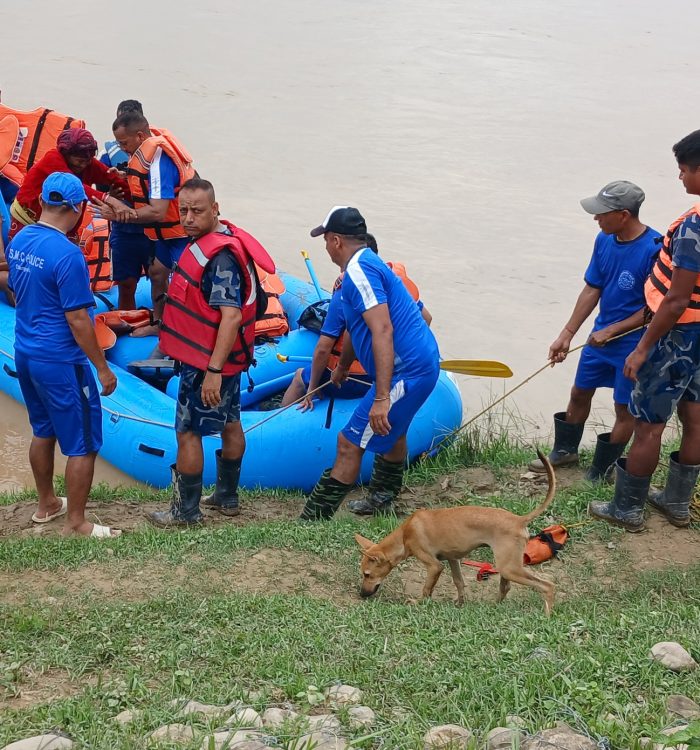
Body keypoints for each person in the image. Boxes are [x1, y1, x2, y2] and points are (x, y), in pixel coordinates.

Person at [148, 178, 275, 527]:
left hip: (209, 363)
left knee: (188, 433)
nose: (188, 218)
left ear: (215, 210)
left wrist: (213, 371)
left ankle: (185, 513)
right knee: (231, 421)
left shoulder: (220, 259)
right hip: (226, 360)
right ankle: (226, 496)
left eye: (197, 211)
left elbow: (231, 316)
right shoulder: (218, 242)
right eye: (184, 210)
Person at [299, 206, 440, 519]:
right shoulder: (361, 269)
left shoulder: (360, 273)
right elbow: (356, 327)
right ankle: (382, 497)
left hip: (409, 372)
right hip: (419, 365)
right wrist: (343, 366)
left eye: (325, 241)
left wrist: (381, 397)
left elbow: (382, 329)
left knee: (349, 442)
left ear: (336, 240)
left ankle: (314, 519)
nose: (325, 248)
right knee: (395, 431)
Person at [590, 132, 700, 531]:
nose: (680, 178)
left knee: (648, 425)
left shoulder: (693, 231)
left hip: (677, 334)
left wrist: (642, 348)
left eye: (685, 170)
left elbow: (675, 300)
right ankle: (676, 502)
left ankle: (627, 508)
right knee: (695, 419)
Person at [6, 172, 119, 537]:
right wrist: (102, 369)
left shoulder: (21, 239)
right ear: (78, 209)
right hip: (60, 359)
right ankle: (78, 523)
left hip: (25, 350)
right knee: (83, 442)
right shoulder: (68, 254)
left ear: (40, 202)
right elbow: (78, 321)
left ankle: (47, 505)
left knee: (43, 430)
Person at [529, 181, 661, 481]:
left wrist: (614, 329)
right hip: (598, 339)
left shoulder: (654, 249)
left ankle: (602, 469)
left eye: (602, 213)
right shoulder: (604, 240)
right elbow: (593, 288)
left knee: (623, 408)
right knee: (579, 392)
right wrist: (567, 333)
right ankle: (565, 451)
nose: (596, 219)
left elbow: (656, 308)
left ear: (624, 215)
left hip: (634, 344)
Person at [282, 234, 432, 411]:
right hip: (392, 372)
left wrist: (312, 387)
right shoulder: (395, 284)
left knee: (300, 376)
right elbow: (426, 319)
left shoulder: (346, 292)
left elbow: (324, 348)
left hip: (355, 379)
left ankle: (278, 419)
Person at [95, 112, 195, 336]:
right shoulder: (144, 153)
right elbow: (144, 179)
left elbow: (158, 212)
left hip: (180, 234)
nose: (122, 149)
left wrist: (120, 214)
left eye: (124, 143)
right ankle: (159, 323)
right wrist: (123, 175)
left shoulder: (159, 160)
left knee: (186, 285)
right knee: (157, 273)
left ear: (140, 136)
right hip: (162, 236)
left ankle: (184, 332)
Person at [7, 127, 131, 243]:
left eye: (88, 160)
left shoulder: (89, 163)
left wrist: (135, 201)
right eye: (79, 161)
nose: (83, 165)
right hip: (28, 221)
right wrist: (110, 200)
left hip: (63, 229)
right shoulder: (52, 159)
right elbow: (74, 187)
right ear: (66, 154)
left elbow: (111, 177)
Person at [99, 100, 155, 310]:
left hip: (153, 231)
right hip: (123, 230)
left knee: (159, 279)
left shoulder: (158, 157)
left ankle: (163, 324)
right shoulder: (108, 158)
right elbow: (101, 191)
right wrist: (110, 194)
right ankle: (126, 321)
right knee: (126, 283)